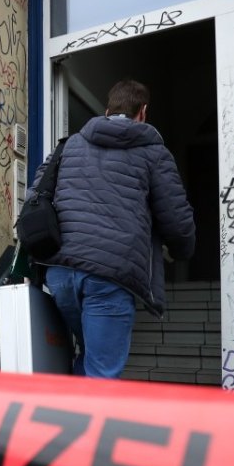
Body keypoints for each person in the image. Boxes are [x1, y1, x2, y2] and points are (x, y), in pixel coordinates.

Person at [32, 79, 195, 379]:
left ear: (107, 111)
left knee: (85, 358)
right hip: (110, 276)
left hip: (60, 274)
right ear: (143, 112)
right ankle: (82, 422)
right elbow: (177, 220)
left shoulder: (69, 146)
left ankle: (68, 417)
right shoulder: (154, 154)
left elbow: (36, 194)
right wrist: (184, 251)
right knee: (102, 373)